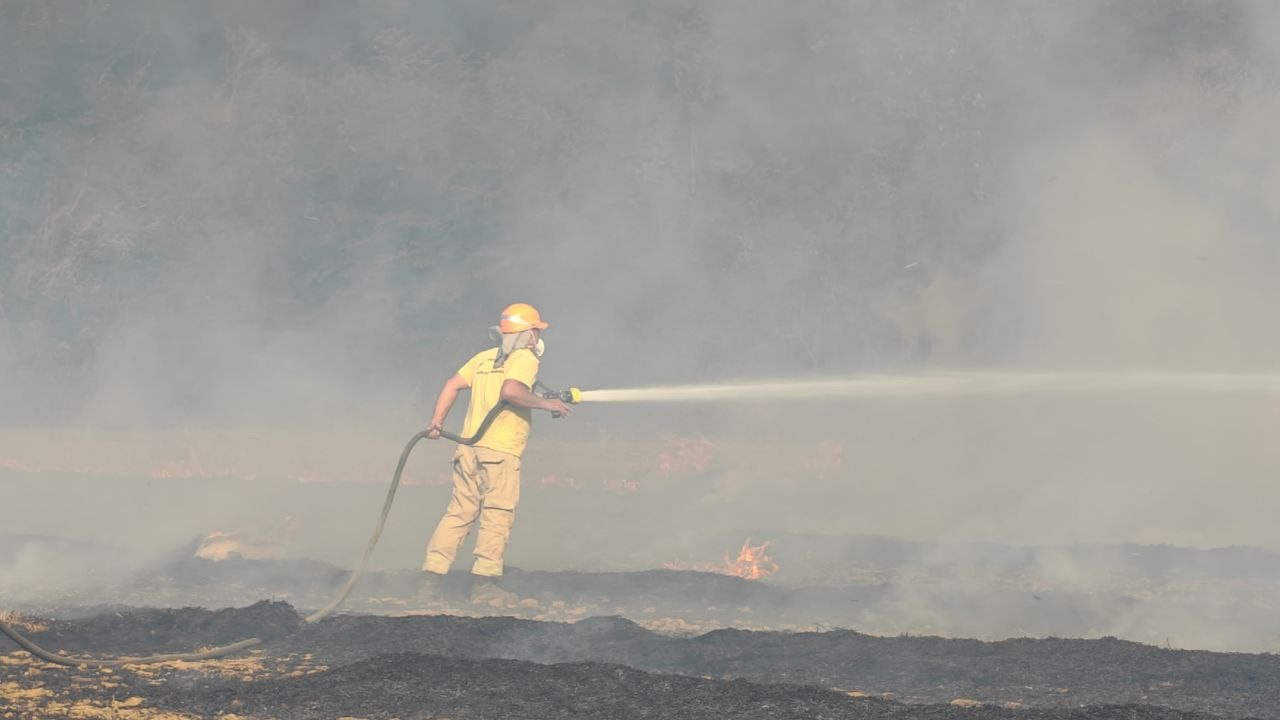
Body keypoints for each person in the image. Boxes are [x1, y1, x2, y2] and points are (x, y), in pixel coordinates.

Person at [417, 302, 573, 606]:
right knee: (498, 513)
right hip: (500, 450)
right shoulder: (524, 357)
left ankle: (429, 580)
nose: (538, 337)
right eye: (536, 331)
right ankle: (485, 584)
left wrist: (437, 422)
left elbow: (451, 385)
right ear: (529, 333)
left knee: (459, 513)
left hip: (468, 450)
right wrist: (546, 404)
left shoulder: (484, 358)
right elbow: (511, 392)